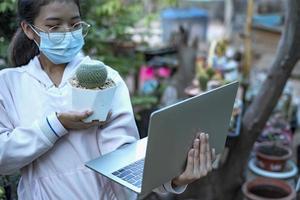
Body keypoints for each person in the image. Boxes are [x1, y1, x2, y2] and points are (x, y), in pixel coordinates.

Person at [0, 0, 215, 199]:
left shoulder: (105, 78)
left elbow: (122, 158)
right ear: (29, 30)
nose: (67, 33)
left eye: (75, 25)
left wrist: (173, 179)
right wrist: (56, 125)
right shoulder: (9, 84)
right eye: (54, 26)